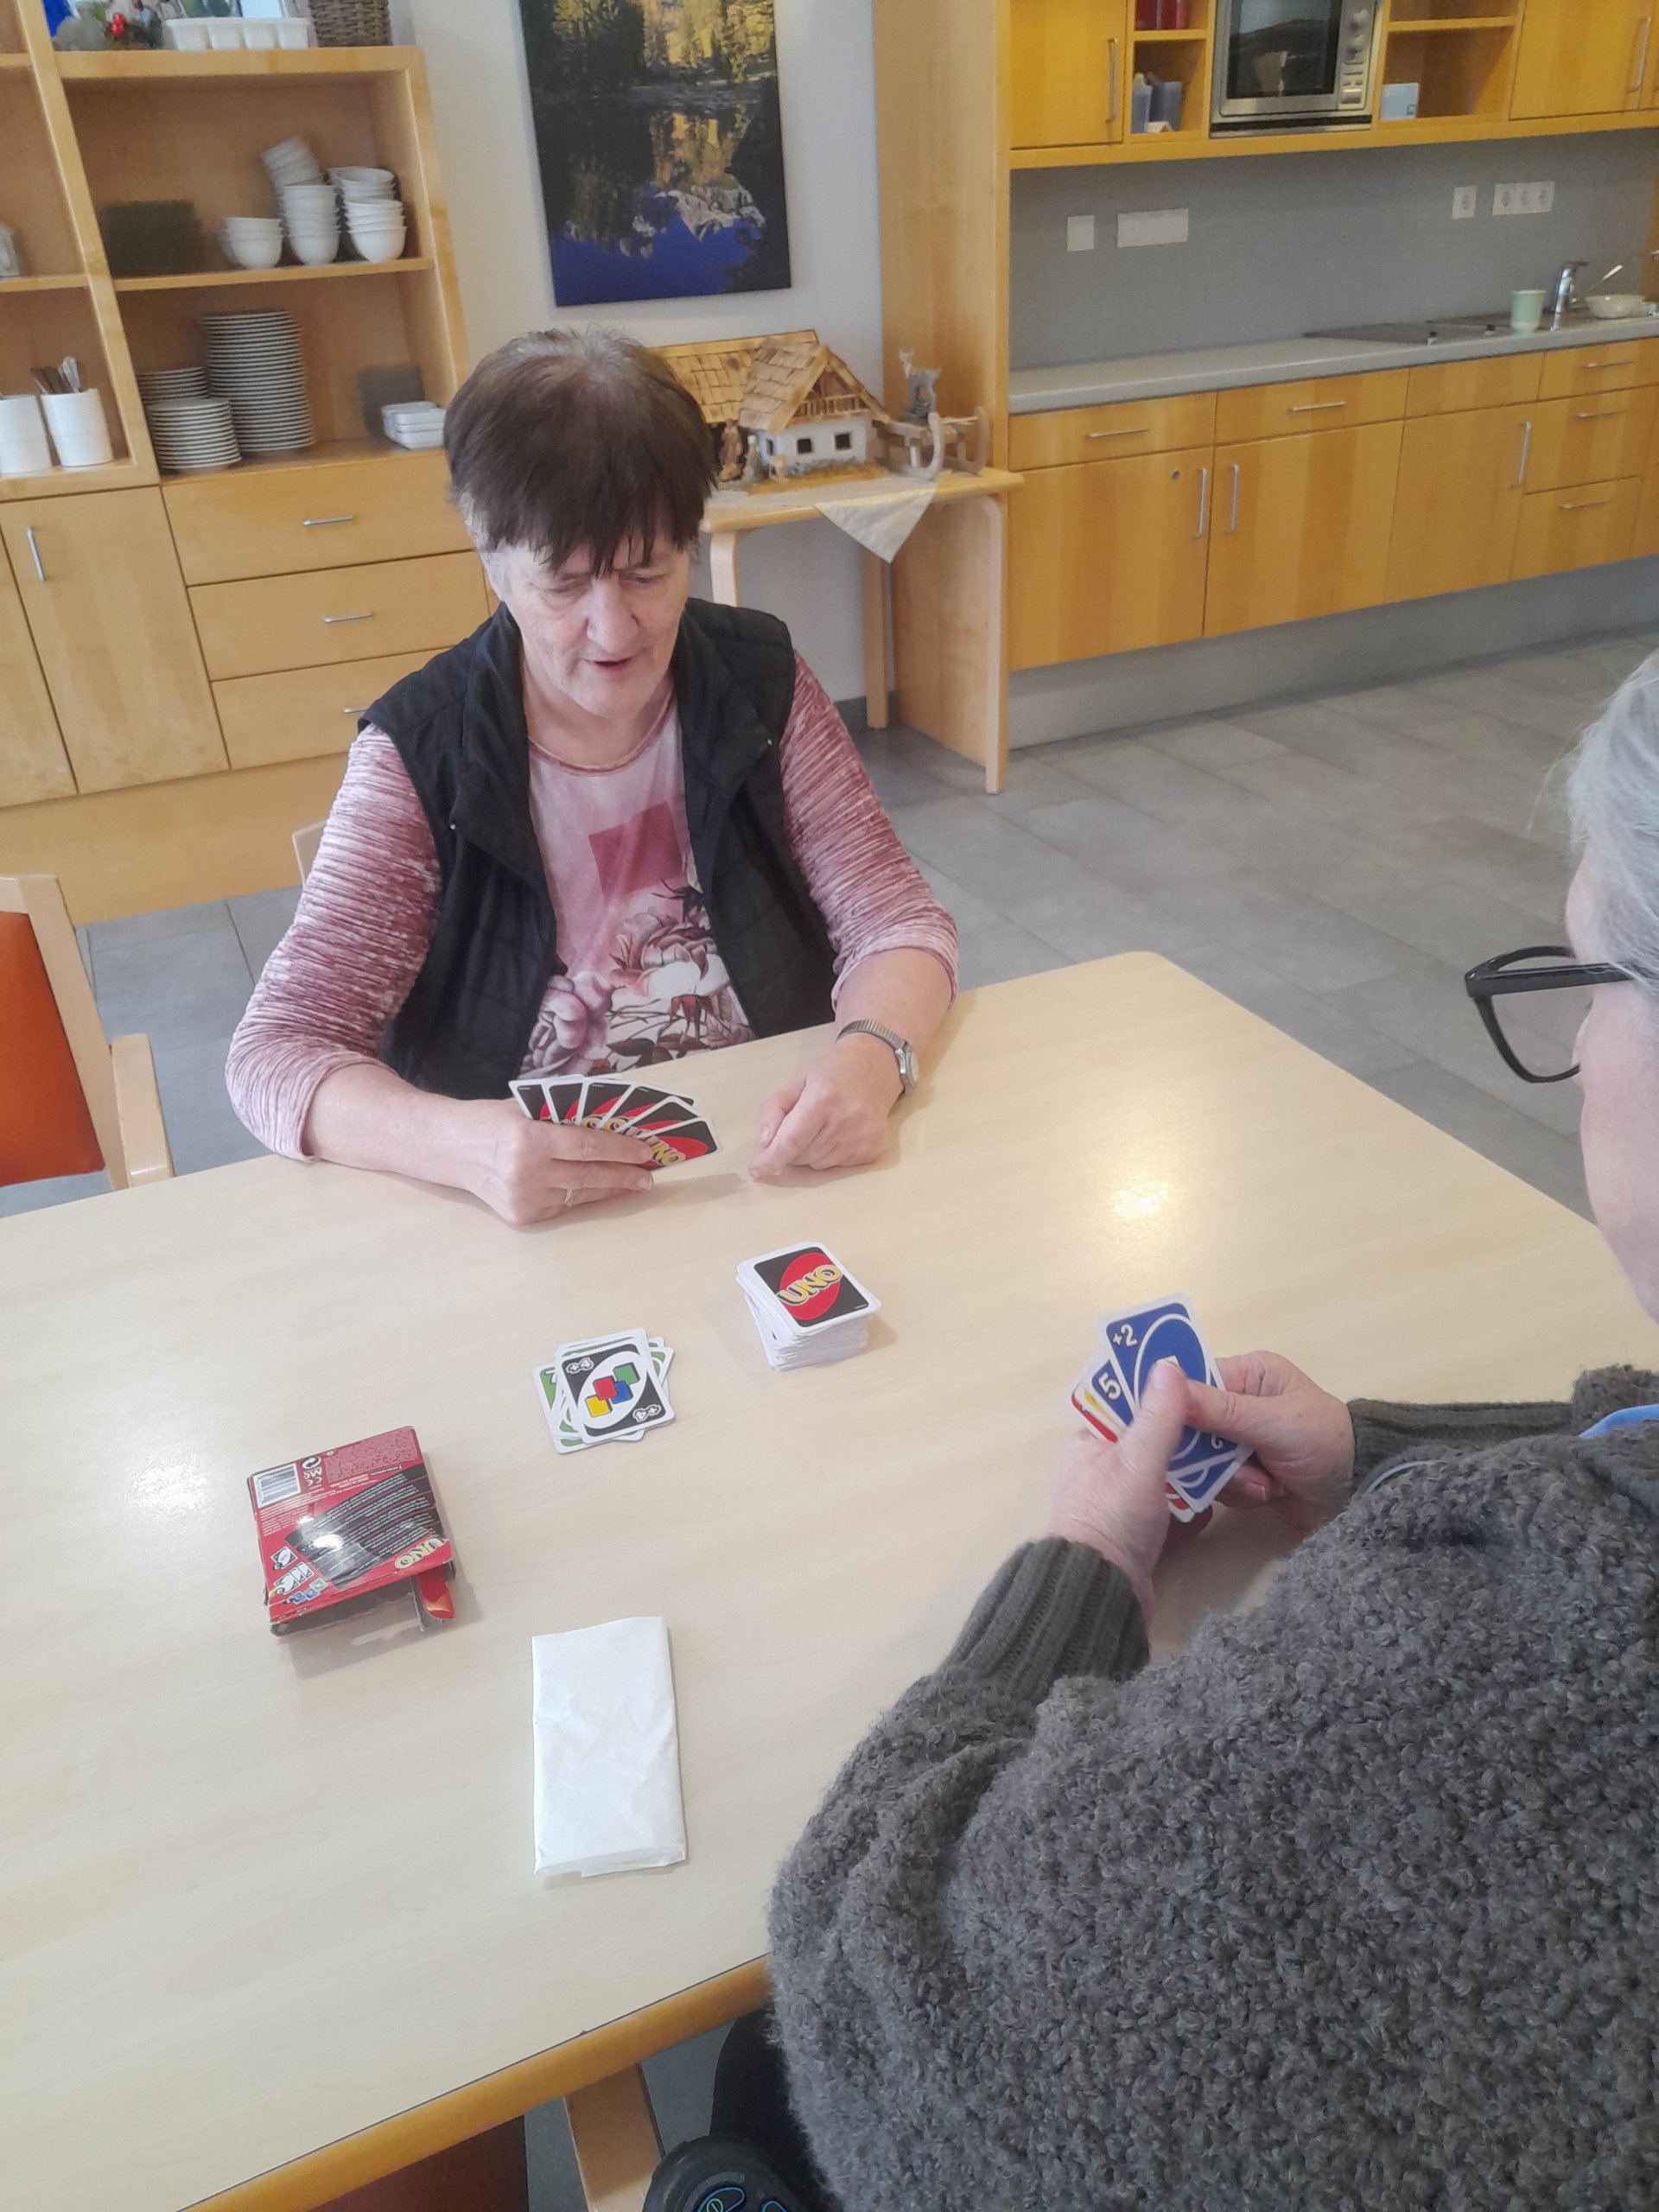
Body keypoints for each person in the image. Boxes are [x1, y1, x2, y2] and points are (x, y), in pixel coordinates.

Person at [652, 662, 1659, 2210]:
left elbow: (873, 1991)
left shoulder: (1472, 1693)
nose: (1581, 1049)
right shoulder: (426, 746)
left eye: (1589, 983)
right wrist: (1385, 1452)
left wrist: (1085, 1556)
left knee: (745, 2079)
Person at [226, 328, 957, 1224]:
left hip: (766, 1167)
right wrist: (463, 1145)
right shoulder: (422, 755)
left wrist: (871, 1057)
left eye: (648, 572)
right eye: (565, 584)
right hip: (535, 1217)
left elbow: (897, 921)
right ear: (490, 556)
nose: (614, 632)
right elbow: (278, 1051)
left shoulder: (760, 685)